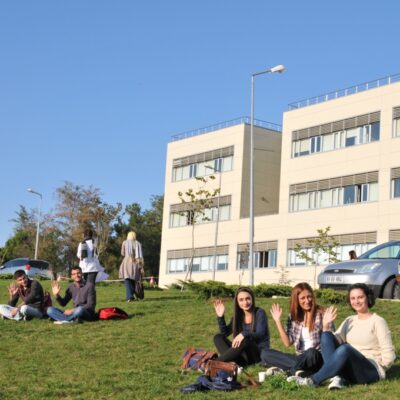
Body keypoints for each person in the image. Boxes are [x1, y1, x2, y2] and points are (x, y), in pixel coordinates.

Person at [288, 283, 396, 389]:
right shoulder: (349, 320)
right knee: (326, 335)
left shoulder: (378, 321)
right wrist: (325, 326)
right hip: (351, 367)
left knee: (345, 348)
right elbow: (333, 340)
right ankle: (337, 376)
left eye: (360, 297)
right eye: (352, 298)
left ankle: (312, 380)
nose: (356, 301)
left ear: (368, 298)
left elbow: (389, 357)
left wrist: (380, 367)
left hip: (370, 370)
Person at [261, 282, 330, 376]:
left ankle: (288, 371)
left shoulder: (322, 313)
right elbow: (287, 343)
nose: (307, 300)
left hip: (317, 357)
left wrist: (326, 326)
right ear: (296, 300)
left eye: (309, 296)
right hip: (300, 357)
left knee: (311, 352)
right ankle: (300, 370)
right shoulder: (293, 317)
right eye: (303, 298)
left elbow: (330, 341)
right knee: (265, 353)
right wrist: (277, 321)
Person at [213, 287, 270, 366]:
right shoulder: (238, 316)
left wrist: (243, 334)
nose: (245, 302)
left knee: (246, 340)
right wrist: (220, 317)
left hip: (257, 355)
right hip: (241, 355)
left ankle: (214, 363)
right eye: (241, 300)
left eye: (248, 299)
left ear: (252, 299)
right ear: (237, 302)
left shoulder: (259, 312)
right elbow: (224, 333)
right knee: (218, 337)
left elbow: (260, 334)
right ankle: (233, 363)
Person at [119, 231, 144, 302]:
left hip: (127, 261)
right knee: (133, 279)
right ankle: (132, 295)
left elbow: (122, 253)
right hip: (136, 262)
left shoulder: (125, 242)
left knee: (127, 279)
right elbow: (140, 255)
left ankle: (129, 297)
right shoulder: (138, 243)